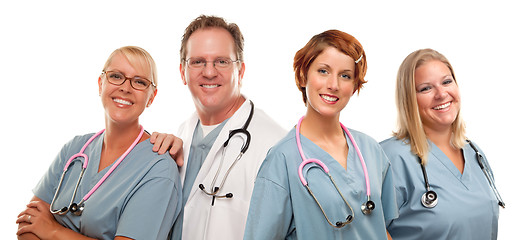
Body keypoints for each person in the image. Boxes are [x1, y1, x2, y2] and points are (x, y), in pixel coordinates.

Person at [16, 46, 182, 240]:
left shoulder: (159, 169)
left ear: (151, 97)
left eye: (139, 82)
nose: (125, 88)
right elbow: (28, 224)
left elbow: (41, 227)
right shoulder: (75, 149)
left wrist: (52, 231)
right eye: (116, 76)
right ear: (100, 83)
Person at [244, 30, 398, 239]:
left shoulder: (371, 150)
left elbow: (382, 228)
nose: (333, 85)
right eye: (323, 71)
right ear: (302, 76)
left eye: (345, 76)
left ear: (354, 87)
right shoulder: (282, 160)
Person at [151, 15, 286, 240]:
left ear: (240, 71)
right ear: (182, 72)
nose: (210, 72)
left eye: (222, 61)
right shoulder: (181, 135)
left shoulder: (275, 145)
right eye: (197, 62)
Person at [380, 48, 503, 239]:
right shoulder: (390, 157)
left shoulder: (474, 153)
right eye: (426, 88)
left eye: (447, 82)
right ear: (409, 99)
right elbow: (367, 228)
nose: (441, 94)